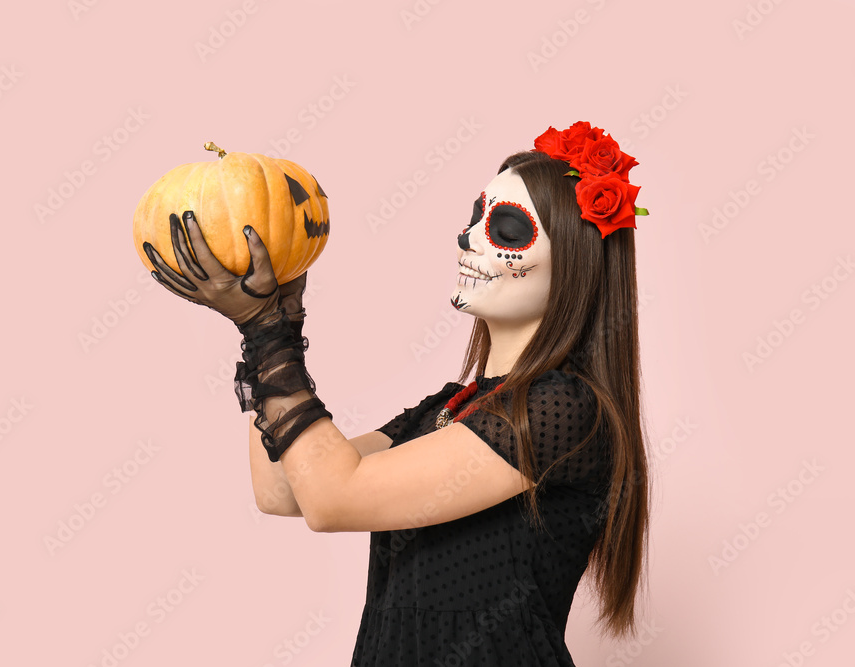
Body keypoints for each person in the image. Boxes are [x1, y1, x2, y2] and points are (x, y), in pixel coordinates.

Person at [142, 120, 652, 666]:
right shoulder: (449, 409)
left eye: (505, 227)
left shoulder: (564, 408)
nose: (469, 237)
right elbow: (285, 490)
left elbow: (334, 498)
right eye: (475, 217)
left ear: (574, 261)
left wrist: (270, 335)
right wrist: (270, 328)